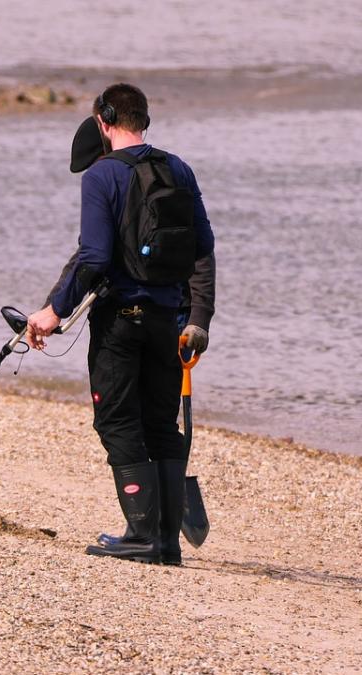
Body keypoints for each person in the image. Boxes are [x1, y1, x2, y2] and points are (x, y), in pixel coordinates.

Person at [27, 83, 215, 565]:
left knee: (116, 420)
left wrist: (54, 311)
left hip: (121, 321)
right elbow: (202, 247)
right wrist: (198, 317)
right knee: (161, 424)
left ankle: (140, 534)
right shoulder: (179, 168)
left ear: (104, 121)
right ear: (144, 120)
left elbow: (93, 256)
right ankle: (166, 543)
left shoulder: (101, 175)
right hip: (168, 321)